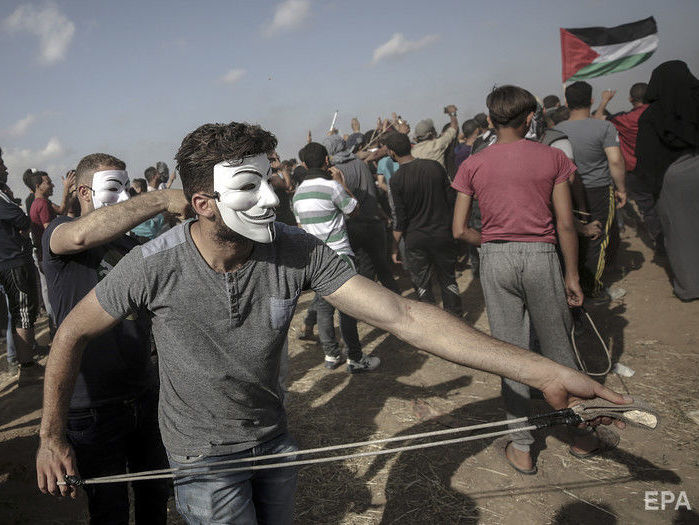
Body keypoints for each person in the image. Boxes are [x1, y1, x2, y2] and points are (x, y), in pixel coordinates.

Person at [37, 121, 631, 523]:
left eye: (270, 180)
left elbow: (402, 315)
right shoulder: (153, 263)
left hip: (273, 439)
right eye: (247, 187)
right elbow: (70, 333)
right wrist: (51, 436)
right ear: (203, 204)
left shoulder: (296, 248)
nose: (271, 199)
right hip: (202, 459)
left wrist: (542, 370)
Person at [452, 85, 601, 474]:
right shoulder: (552, 157)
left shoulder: (473, 164)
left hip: (495, 259)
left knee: (511, 355)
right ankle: (581, 435)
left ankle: (522, 447)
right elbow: (565, 223)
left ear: (489, 120)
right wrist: (572, 274)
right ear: (531, 118)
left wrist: (492, 243)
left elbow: (459, 230)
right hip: (541, 256)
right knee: (560, 350)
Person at [39, 153, 188, 523]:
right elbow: (81, 234)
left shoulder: (129, 245)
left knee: (155, 494)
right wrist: (161, 198)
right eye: (112, 188)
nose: (123, 198)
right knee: (109, 510)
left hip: (143, 392)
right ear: (83, 192)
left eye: (126, 187)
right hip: (92, 406)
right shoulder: (59, 232)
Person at [293, 141, 381, 373]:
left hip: (316, 258)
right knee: (347, 310)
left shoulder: (298, 195)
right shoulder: (332, 187)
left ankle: (331, 355)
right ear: (326, 161)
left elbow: (301, 229)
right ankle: (355, 358)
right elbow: (354, 210)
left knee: (324, 309)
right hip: (340, 256)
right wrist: (342, 183)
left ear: (304, 165)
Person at [555, 81, 626, 302]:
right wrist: (621, 188)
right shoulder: (604, 127)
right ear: (592, 100)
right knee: (598, 237)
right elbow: (615, 161)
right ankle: (593, 290)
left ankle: (573, 283)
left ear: (567, 102)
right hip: (599, 189)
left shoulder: (557, 131)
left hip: (566, 192)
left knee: (572, 235)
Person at [385, 132, 462, 316]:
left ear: (391, 152)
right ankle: (457, 322)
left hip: (416, 240)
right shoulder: (434, 167)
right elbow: (451, 199)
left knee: (422, 285)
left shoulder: (396, 180)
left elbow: (400, 218)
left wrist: (394, 246)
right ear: (410, 146)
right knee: (448, 279)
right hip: (442, 235)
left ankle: (430, 324)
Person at [641, 61, 699, 299]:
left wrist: (652, 188)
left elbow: (646, 157)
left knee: (680, 233)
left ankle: (691, 287)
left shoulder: (652, 115)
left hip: (673, 177)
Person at [322, 135, 398, 294]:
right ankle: (396, 298)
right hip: (374, 221)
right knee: (382, 267)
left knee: (365, 270)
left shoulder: (334, 172)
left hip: (353, 225)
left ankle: (371, 304)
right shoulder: (361, 164)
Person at [0, 165, 42, 385]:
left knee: (19, 312)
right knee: (22, 312)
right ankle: (27, 368)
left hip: (11, 260)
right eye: (1, 164)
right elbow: (22, 219)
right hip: (11, 262)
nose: (6, 168)